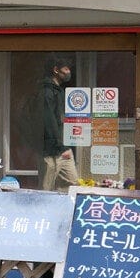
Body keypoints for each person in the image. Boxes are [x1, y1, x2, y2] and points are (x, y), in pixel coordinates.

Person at [39, 54, 78, 191]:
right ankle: (44, 212)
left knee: (72, 184)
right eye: (66, 69)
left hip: (62, 147)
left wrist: (64, 147)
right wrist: (59, 145)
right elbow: (48, 120)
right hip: (51, 150)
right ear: (56, 70)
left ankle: (65, 210)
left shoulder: (58, 91)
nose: (69, 73)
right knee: (46, 188)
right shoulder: (47, 91)